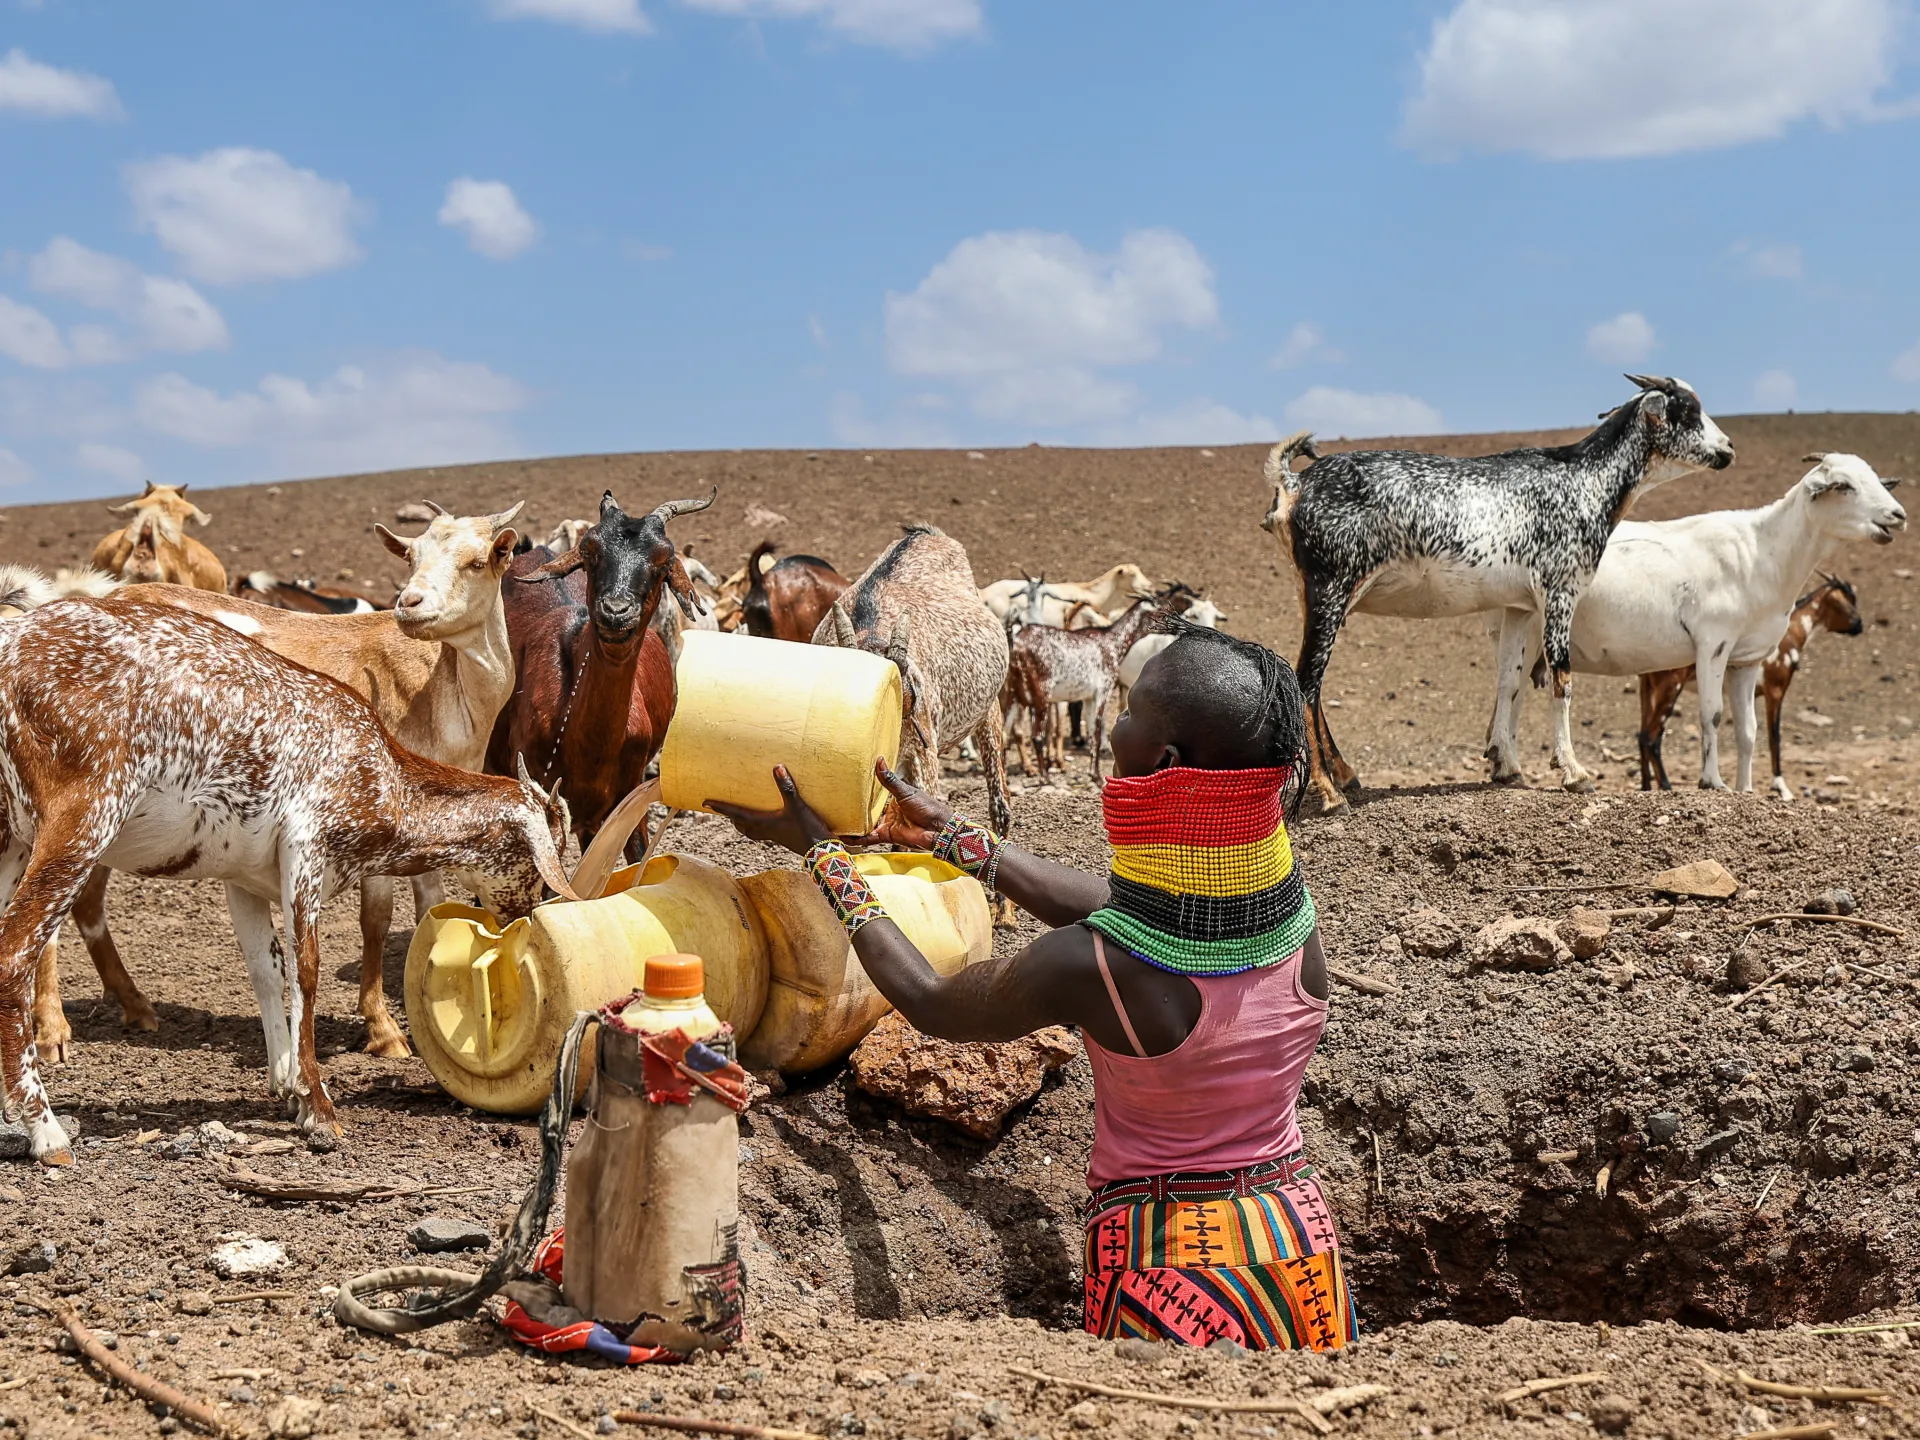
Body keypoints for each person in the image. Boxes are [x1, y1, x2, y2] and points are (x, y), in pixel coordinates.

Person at [711, 619, 1355, 1351]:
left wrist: (824, 859)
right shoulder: (1292, 922)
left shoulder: (1093, 969)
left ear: (1164, 759)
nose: (1114, 723)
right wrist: (954, 838)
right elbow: (1137, 912)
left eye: (1133, 707)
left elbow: (928, 1000)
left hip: (1170, 1273)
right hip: (1300, 1244)